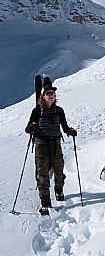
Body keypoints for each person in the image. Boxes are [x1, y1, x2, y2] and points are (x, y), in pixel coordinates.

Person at [25, 84, 77, 215]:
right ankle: (45, 203)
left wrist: (70, 131)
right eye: (48, 93)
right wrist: (32, 127)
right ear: (43, 96)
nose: (51, 95)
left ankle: (58, 189)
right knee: (42, 175)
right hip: (41, 146)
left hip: (55, 144)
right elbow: (27, 129)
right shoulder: (36, 111)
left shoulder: (59, 110)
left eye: (53, 94)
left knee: (59, 171)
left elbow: (64, 127)